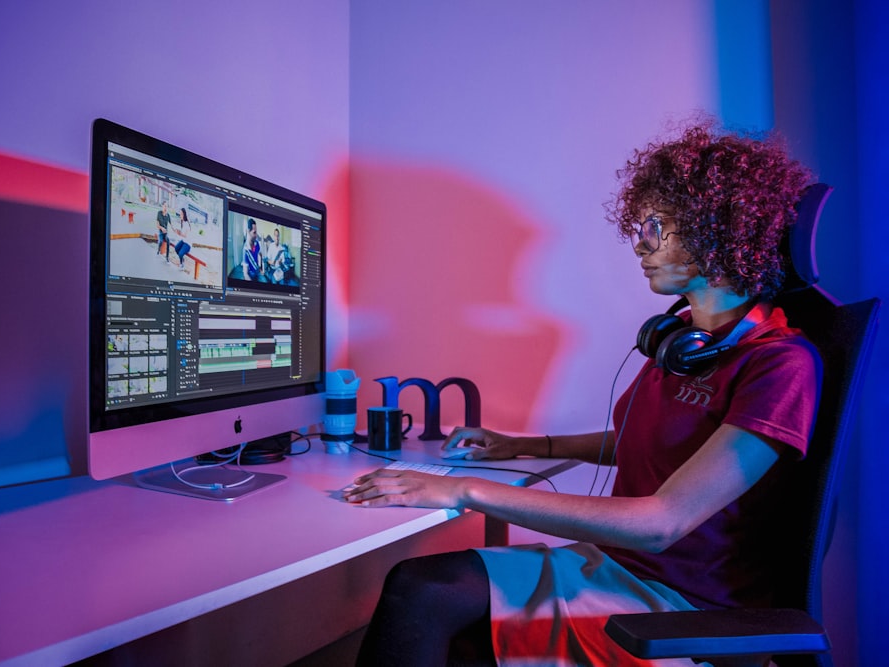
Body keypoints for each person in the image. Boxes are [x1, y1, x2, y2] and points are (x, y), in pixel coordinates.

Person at [345, 121, 821, 667]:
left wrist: (463, 491)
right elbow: (650, 444)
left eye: (655, 226)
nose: (639, 243)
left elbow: (662, 521)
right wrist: (525, 445)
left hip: (679, 606)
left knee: (429, 600)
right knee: (422, 588)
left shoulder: (779, 364)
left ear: (718, 228)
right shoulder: (684, 343)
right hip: (615, 567)